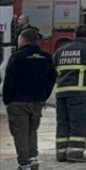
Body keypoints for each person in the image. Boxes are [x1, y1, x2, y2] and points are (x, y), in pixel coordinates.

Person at [5, 28, 57, 170]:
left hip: (18, 101)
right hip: (37, 102)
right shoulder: (46, 57)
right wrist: (44, 95)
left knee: (20, 132)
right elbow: (52, 78)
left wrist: (7, 100)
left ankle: (24, 164)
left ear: (23, 39)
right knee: (32, 130)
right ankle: (33, 159)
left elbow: (9, 80)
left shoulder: (17, 57)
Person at [54, 24, 86, 162]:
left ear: (74, 35)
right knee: (78, 122)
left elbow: (52, 70)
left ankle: (61, 152)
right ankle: (75, 153)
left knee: (63, 122)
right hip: (80, 93)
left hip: (61, 93)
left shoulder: (61, 50)